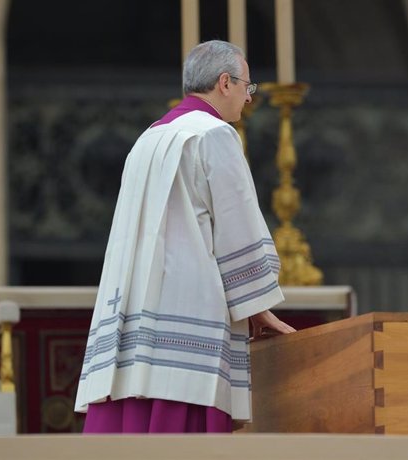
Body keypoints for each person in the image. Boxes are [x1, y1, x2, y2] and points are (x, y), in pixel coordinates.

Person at [75, 40, 295, 434]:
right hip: (188, 309)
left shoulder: (148, 138)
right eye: (248, 86)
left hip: (136, 312)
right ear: (224, 83)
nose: (249, 97)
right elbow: (236, 225)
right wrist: (257, 306)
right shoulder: (215, 135)